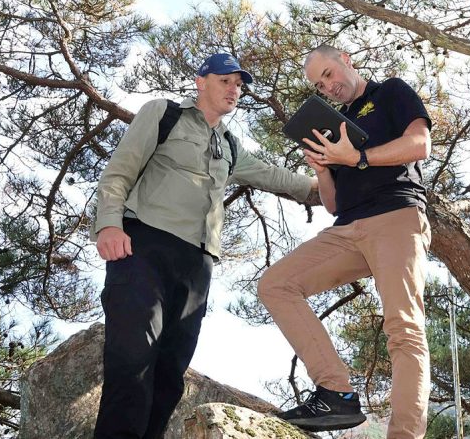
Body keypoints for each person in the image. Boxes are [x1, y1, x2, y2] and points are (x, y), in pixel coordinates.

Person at [91, 53, 317, 439]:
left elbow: (274, 175)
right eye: (226, 81)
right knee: (132, 360)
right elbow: (119, 170)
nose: (235, 90)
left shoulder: (230, 145)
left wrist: (329, 186)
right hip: (144, 245)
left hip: (198, 265)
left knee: (168, 375)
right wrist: (108, 224)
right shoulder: (164, 114)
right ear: (201, 81)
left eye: (240, 85)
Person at [258, 44, 432, 439]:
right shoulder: (335, 124)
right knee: (275, 285)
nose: (328, 87)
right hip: (347, 227)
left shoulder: (391, 91)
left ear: (346, 61)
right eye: (320, 85)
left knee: (403, 329)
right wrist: (323, 169)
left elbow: (420, 145)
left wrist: (358, 157)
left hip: (396, 216)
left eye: (329, 75)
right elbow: (333, 205)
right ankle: (336, 392)